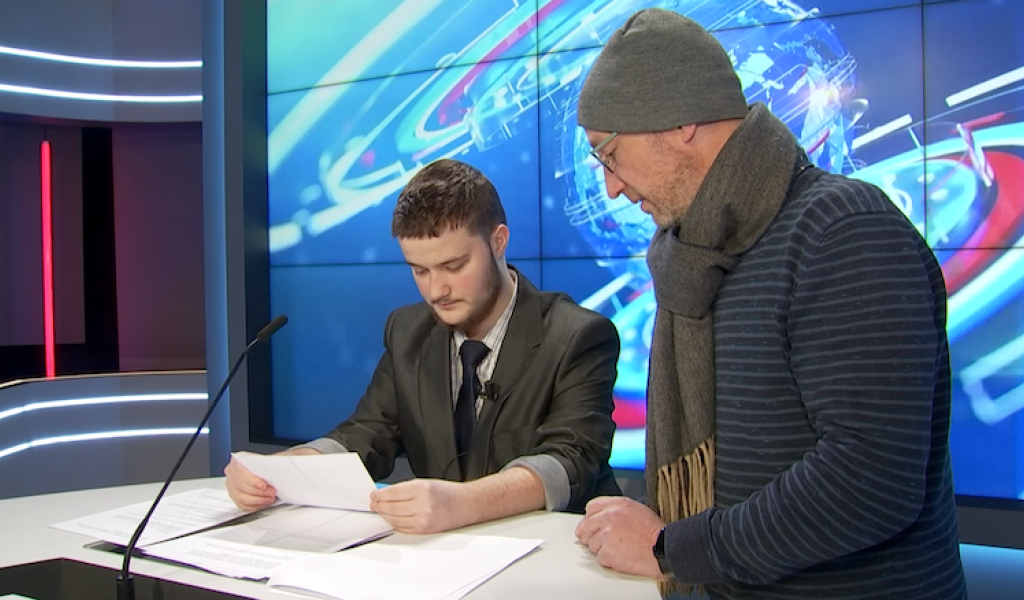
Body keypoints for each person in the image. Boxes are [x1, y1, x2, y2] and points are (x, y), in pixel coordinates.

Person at [572, 8, 966, 600]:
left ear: (680, 123)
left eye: (609, 153)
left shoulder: (842, 231)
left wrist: (671, 548)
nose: (611, 187)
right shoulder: (692, 257)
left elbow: (871, 481)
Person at [226, 158, 621, 534]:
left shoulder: (578, 336)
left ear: (498, 241)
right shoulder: (407, 331)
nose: (436, 291)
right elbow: (366, 433)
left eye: (453, 266)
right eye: (419, 270)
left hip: (556, 556)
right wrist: (281, 469)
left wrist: (461, 504)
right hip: (446, 559)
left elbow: (568, 462)